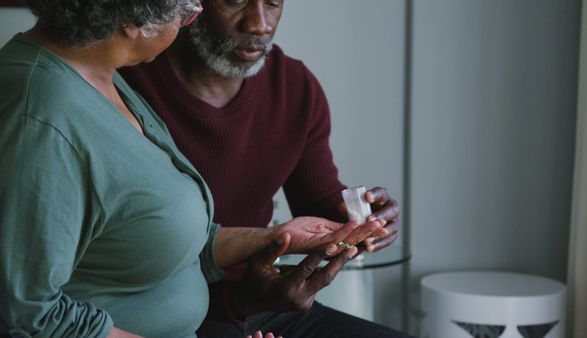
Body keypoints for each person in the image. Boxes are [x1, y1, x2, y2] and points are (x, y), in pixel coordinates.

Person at [0, 1, 384, 337]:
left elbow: (165, 235)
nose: (188, 20)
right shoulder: (41, 118)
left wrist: (274, 237)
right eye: (185, 9)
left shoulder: (100, 77)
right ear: (133, 19)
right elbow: (24, 312)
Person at [120, 0, 409, 337]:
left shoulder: (294, 87)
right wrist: (240, 301)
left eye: (273, 2)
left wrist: (362, 221)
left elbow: (319, 204)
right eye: (235, 1)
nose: (260, 24)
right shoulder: (128, 81)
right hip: (156, 313)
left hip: (261, 302)